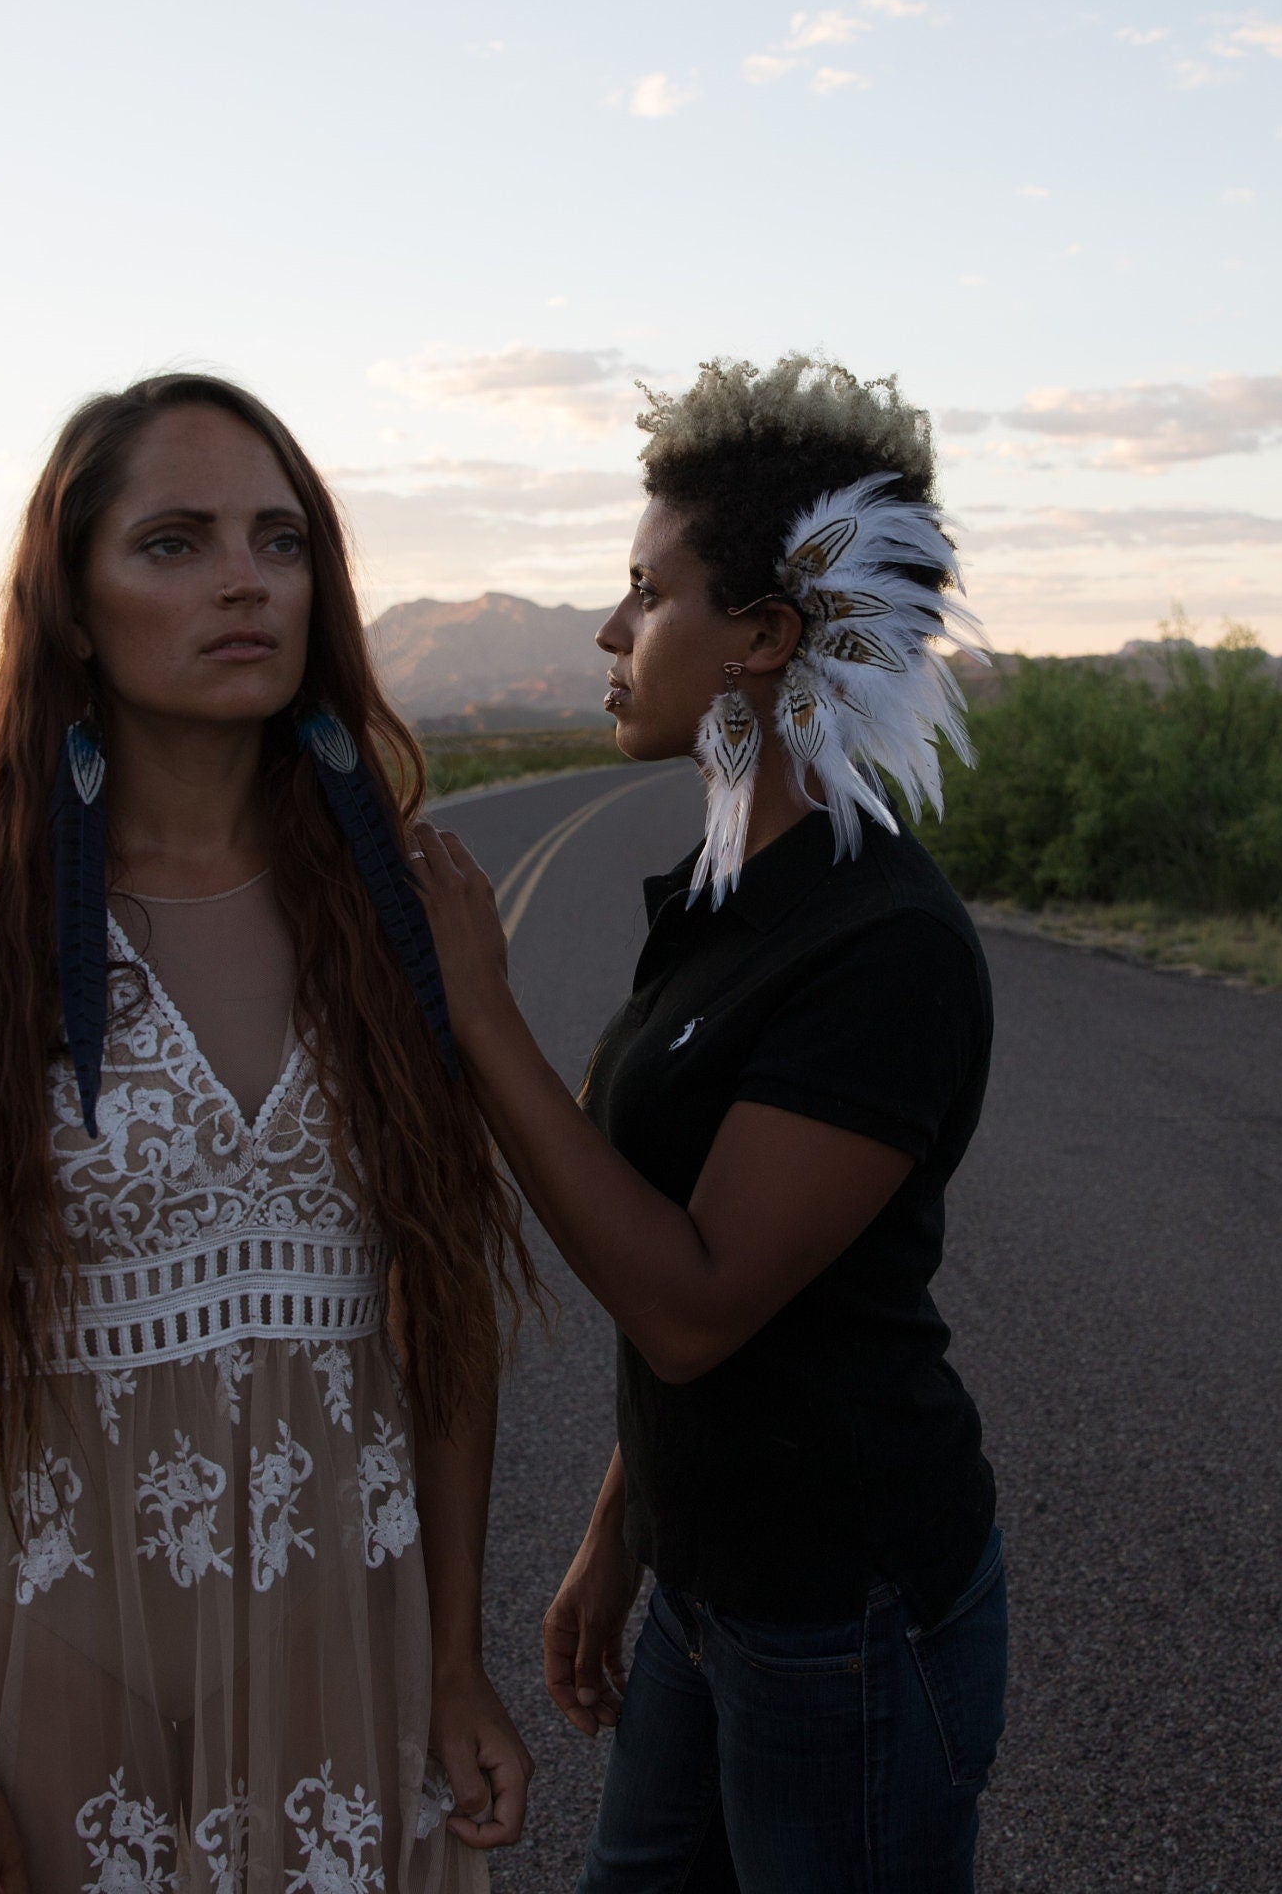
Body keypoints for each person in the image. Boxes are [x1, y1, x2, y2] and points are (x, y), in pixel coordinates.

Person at [0, 373, 535, 1894]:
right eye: (176, 542)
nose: (246, 580)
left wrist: (457, 1660)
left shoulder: (396, 920)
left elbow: (444, 1318)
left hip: (348, 1647)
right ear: (72, 606)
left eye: (279, 540)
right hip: (50, 1663)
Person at [406, 354, 1008, 1893]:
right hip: (706, 1580)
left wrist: (482, 1015)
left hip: (845, 1611)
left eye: (645, 592)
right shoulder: (733, 896)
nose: (611, 633)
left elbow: (692, 1306)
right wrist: (624, 1538)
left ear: (762, 636)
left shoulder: (883, 946)